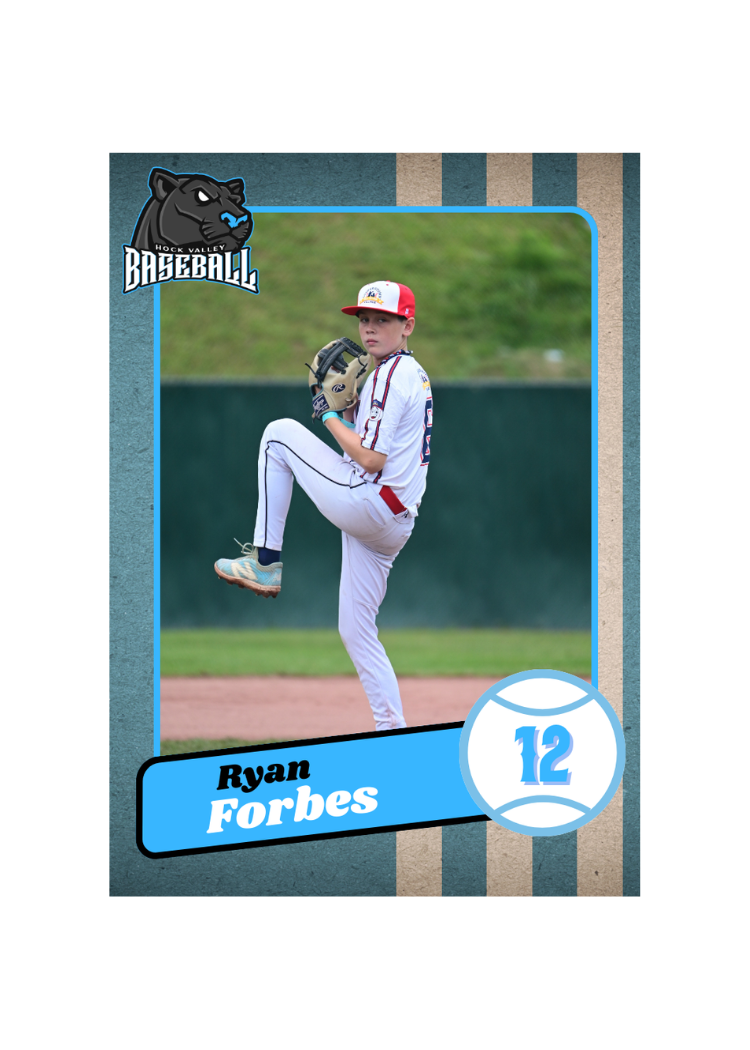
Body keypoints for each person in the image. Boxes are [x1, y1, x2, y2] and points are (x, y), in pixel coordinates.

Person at [214, 281, 433, 731]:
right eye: (364, 319)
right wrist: (349, 410)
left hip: (369, 501)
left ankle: (265, 562)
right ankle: (392, 732)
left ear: (407, 326)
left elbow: (370, 459)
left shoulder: (390, 377)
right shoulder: (405, 373)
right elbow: (371, 444)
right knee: (355, 629)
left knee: (278, 435)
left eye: (383, 320)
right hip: (393, 521)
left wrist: (329, 413)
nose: (370, 328)